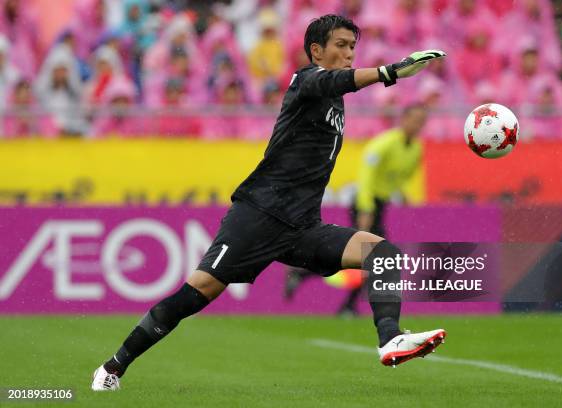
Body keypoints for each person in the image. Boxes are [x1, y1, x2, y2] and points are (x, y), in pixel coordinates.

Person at [91, 14, 447, 391]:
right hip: (258, 214)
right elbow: (336, 79)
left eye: (352, 48)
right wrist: (389, 72)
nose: (348, 55)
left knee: (383, 252)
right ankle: (112, 367)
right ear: (316, 50)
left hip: (303, 226)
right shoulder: (305, 80)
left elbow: (340, 84)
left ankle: (390, 338)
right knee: (199, 292)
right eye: (340, 46)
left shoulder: (335, 101)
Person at [285, 104, 428, 315]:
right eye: (415, 120)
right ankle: (349, 307)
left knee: (360, 256)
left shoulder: (416, 148)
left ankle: (305, 275)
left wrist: (403, 193)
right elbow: (366, 177)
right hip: (365, 202)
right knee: (377, 257)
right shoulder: (384, 143)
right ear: (404, 119)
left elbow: (401, 176)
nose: (418, 125)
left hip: (380, 204)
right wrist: (365, 209)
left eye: (422, 121)